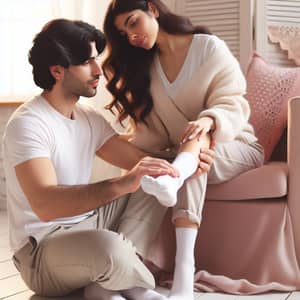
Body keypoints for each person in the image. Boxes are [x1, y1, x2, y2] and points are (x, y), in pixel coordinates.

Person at [2, 19, 214, 300]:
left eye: (96, 59)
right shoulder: (28, 123)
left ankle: (104, 286)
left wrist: (187, 161)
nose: (98, 70)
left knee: (157, 175)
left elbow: (140, 161)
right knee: (109, 248)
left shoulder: (88, 117)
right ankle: (136, 286)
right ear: (57, 71)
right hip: (42, 251)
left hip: (90, 227)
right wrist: (122, 183)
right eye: (87, 62)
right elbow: (46, 205)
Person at [102, 1, 265, 300]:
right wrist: (125, 155)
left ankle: (184, 272)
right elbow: (153, 134)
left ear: (152, 8)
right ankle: (123, 265)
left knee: (196, 144)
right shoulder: (146, 68)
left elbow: (234, 102)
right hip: (191, 157)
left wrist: (208, 120)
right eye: (124, 33)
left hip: (237, 145)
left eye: (133, 22)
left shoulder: (208, 48)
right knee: (173, 164)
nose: (131, 36)